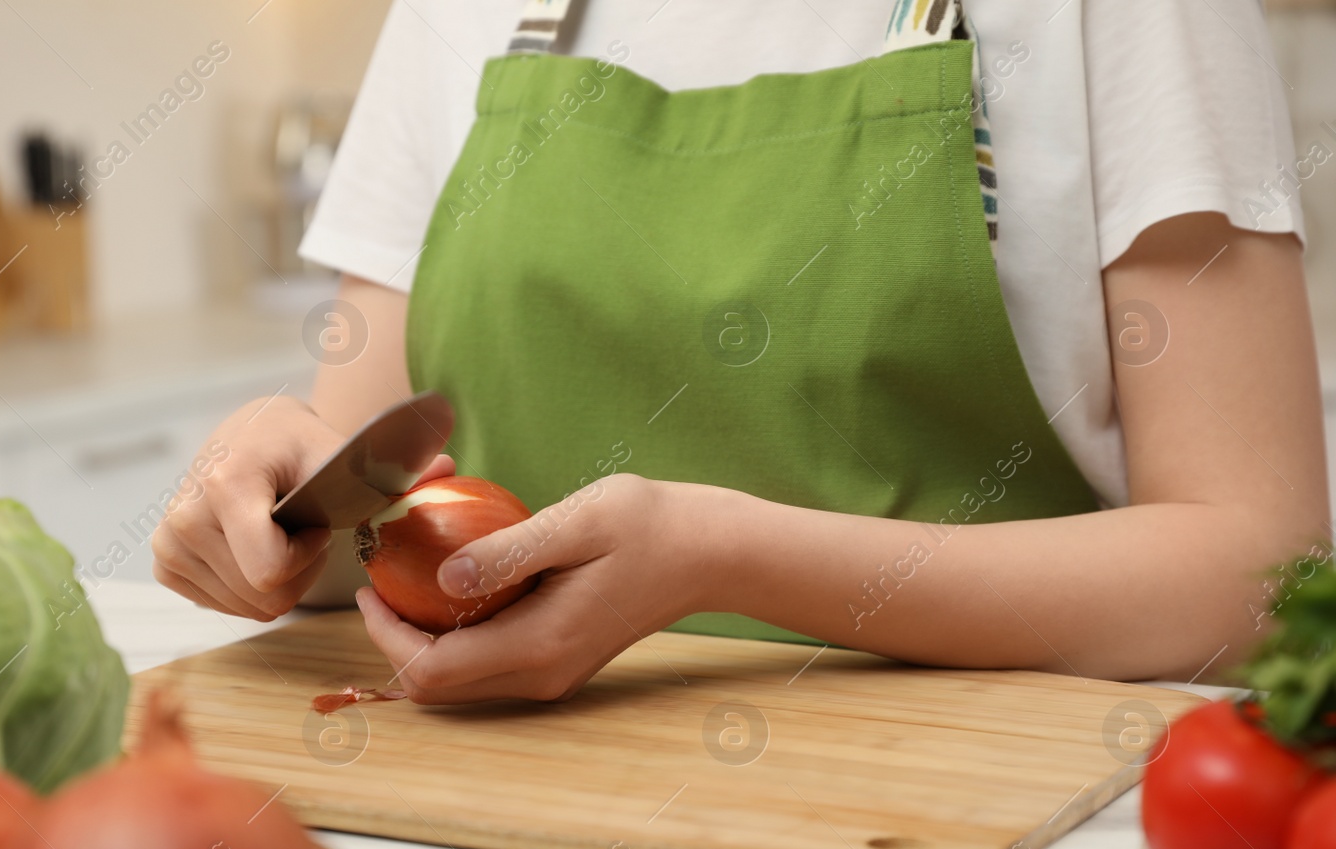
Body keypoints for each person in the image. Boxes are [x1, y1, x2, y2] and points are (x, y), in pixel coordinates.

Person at [154, 0, 1328, 703]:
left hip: (973, 836)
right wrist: (272, 497)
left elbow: (1260, 573)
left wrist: (727, 556)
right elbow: (377, 513)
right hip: (499, 820)